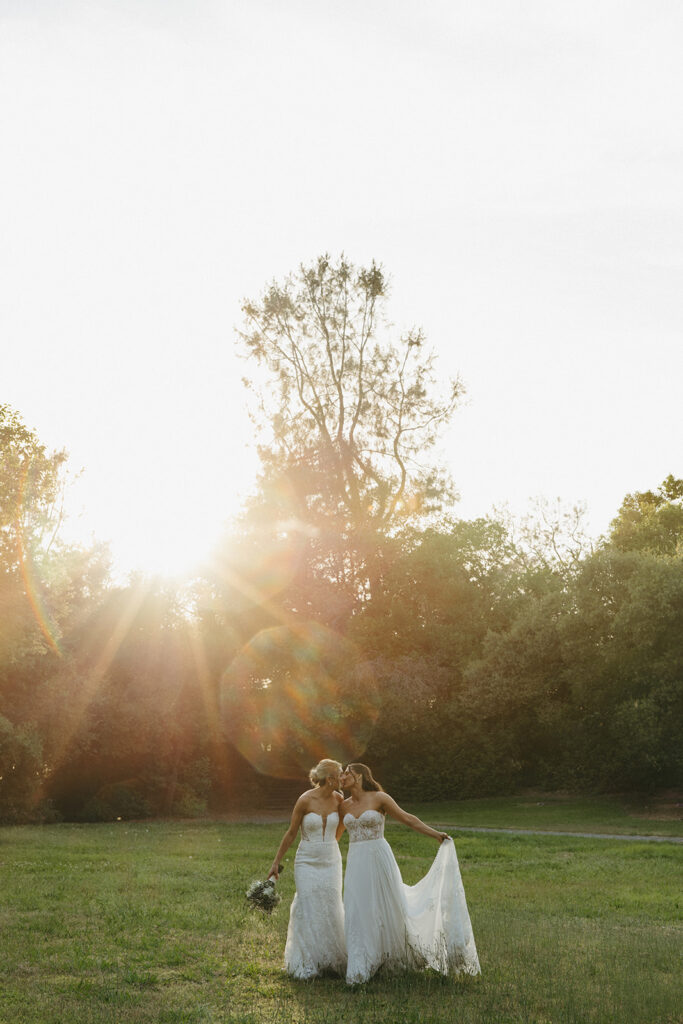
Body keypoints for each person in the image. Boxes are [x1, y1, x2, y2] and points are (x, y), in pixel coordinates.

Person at [337, 762, 480, 986]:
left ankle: (392, 956)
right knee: (358, 908)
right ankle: (361, 963)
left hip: (379, 856)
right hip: (356, 861)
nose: (342, 776)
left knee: (389, 905)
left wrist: (435, 834)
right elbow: (334, 835)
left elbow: (407, 818)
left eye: (346, 773)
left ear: (359, 776)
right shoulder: (343, 806)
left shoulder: (380, 798)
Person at [268, 758, 346, 979]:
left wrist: (328, 847)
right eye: (340, 774)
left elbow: (340, 829)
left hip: (331, 860)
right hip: (306, 861)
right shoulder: (304, 800)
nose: (342, 778)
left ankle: (330, 959)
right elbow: (291, 832)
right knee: (308, 903)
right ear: (330, 779)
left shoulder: (340, 800)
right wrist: (276, 862)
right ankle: (307, 961)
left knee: (331, 904)